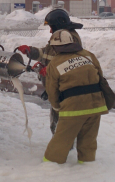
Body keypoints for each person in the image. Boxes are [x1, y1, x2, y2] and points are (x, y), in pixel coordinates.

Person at [42, 29, 110, 164]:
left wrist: (56, 106)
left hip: (73, 108)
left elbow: (52, 90)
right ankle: (87, 165)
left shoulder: (54, 63)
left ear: (56, 47)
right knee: (88, 140)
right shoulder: (88, 55)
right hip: (96, 106)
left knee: (61, 141)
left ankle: (50, 168)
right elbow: (100, 76)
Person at [16, 8, 83, 134]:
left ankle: (62, 150)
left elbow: (70, 62)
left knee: (62, 127)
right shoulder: (59, 38)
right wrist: (31, 51)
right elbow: (47, 53)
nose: (50, 31)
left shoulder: (70, 39)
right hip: (56, 90)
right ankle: (63, 149)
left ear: (59, 25)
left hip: (65, 91)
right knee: (57, 126)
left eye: (52, 27)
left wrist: (50, 70)